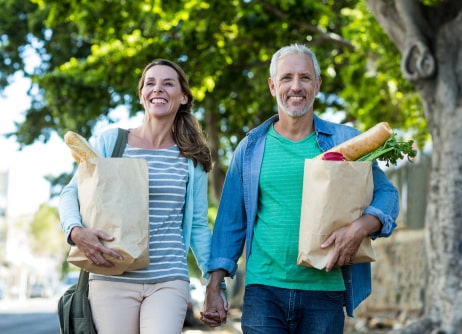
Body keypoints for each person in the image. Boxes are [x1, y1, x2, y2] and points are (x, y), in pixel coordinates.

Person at [200, 44, 399, 333]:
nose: (296, 86)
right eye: (286, 78)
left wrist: (359, 229)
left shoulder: (347, 142)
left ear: (317, 85)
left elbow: (388, 195)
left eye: (305, 78)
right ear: (272, 86)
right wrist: (214, 285)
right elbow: (231, 221)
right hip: (264, 291)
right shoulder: (251, 148)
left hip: (325, 289)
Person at [59, 59, 213, 334]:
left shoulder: (191, 158)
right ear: (142, 95)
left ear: (183, 97)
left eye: (168, 84)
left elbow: (200, 225)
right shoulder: (112, 142)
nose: (158, 89)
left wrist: (214, 283)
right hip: (112, 275)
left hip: (169, 279)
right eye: (150, 83)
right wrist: (75, 230)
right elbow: (72, 192)